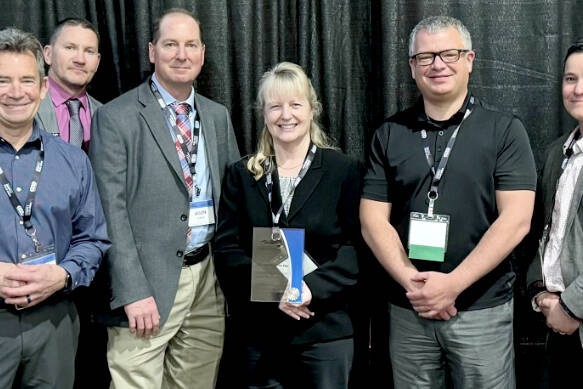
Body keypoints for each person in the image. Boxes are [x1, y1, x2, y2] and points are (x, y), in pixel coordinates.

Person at [360, 16, 536, 388]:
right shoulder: (389, 134)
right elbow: (372, 221)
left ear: (469, 59)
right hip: (410, 311)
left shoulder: (504, 130)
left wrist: (452, 285)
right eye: (425, 57)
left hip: (481, 310)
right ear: (411, 67)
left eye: (449, 54)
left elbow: (517, 219)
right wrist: (418, 286)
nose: (437, 64)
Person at [89, 7, 240, 389]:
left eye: (191, 45)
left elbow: (235, 200)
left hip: (207, 280)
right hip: (146, 286)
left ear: (203, 53)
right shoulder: (116, 117)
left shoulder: (217, 115)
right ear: (152, 51)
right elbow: (111, 211)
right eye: (171, 44)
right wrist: (133, 290)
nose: (181, 54)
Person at [214, 61, 362, 389]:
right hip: (260, 330)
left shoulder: (343, 170)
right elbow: (226, 249)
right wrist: (277, 289)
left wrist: (311, 289)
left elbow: (356, 249)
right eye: (275, 106)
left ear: (312, 110)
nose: (286, 115)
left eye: (295, 104)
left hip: (324, 328)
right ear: (264, 114)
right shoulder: (242, 174)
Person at [0, 27, 109, 388]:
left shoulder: (73, 161)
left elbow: (92, 240)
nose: (16, 92)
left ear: (43, 88)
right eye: (3, 80)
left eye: (27, 80)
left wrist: (63, 275)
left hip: (55, 323)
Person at [526, 40, 583, 388]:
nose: (577, 89)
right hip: (555, 326)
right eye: (570, 78)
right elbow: (542, 234)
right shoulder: (554, 154)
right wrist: (540, 293)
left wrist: (572, 308)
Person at [35, 18, 101, 151]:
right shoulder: (22, 105)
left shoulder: (106, 115)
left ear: (97, 61)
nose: (80, 60)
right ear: (48, 54)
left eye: (89, 51)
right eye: (70, 48)